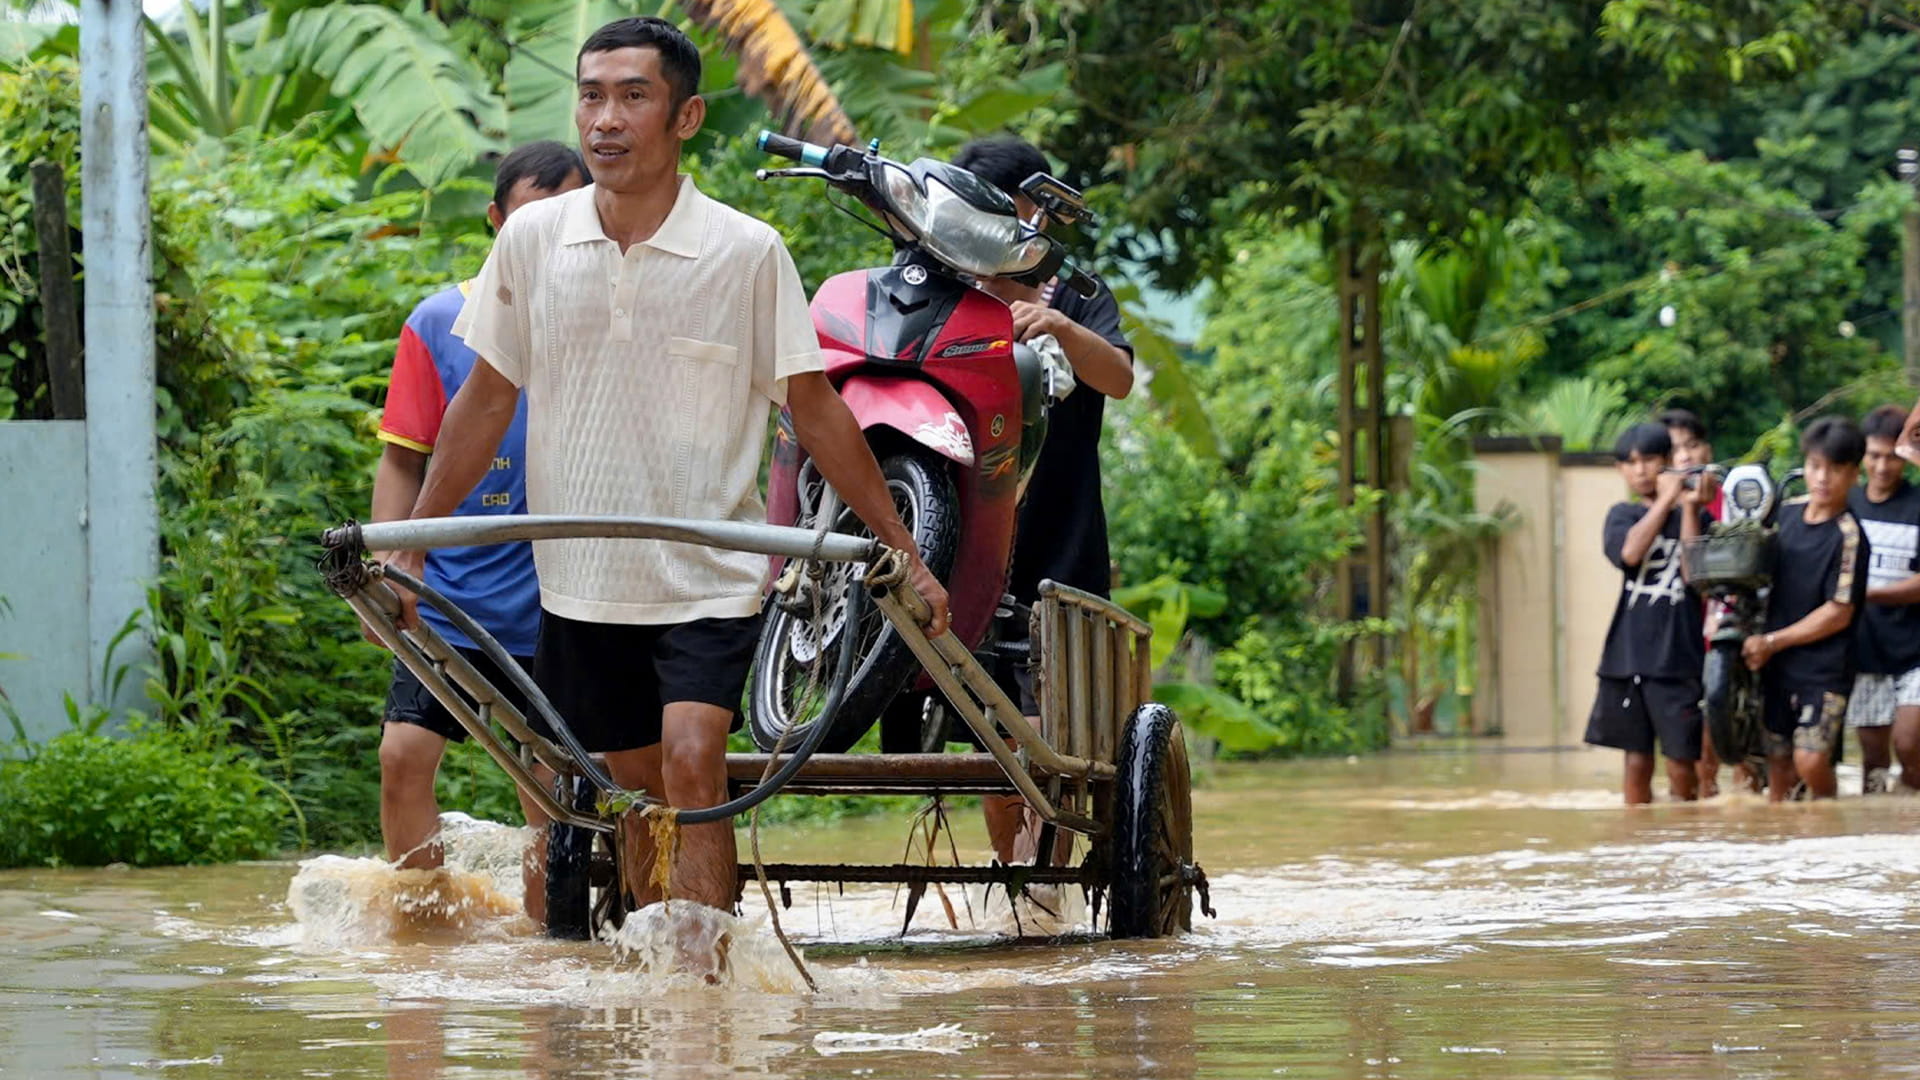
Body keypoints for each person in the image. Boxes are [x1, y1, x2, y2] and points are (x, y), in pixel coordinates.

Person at [384, 17, 950, 936]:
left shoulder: (745, 251)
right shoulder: (530, 243)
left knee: (694, 761)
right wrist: (413, 548)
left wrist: (903, 553)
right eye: (592, 96)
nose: (605, 120)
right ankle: (671, 980)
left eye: (633, 97)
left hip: (708, 575)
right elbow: (484, 405)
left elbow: (815, 411)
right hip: (581, 584)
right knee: (637, 794)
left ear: (685, 117)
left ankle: (700, 995)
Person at [365, 142, 588, 916]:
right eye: (528, 220)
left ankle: (544, 954)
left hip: (564, 602)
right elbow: (403, 459)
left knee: (548, 781)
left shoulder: (600, 324)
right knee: (403, 756)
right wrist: (393, 565)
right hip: (456, 597)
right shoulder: (439, 322)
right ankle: (421, 938)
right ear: (496, 222)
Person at [951, 135, 1134, 867]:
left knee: (1053, 727)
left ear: (1037, 213)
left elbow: (1118, 377)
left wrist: (1057, 326)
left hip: (1062, 532)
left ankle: (1043, 881)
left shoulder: (1080, 294)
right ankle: (1021, 885)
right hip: (967, 538)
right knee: (992, 735)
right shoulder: (949, 284)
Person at [1743, 417, 1869, 802]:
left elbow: (1839, 611)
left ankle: (1828, 822)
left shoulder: (1850, 536)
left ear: (1853, 476)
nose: (1823, 478)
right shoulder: (1783, 516)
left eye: (1835, 469)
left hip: (1825, 667)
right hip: (1773, 663)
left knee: (1811, 760)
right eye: (1815, 467)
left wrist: (1773, 641)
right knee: (1777, 762)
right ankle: (1789, 845)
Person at [1586, 423, 1709, 804]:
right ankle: (1635, 841)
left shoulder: (1700, 519)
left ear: (1669, 462)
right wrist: (1663, 502)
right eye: (1630, 462)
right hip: (1627, 659)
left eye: (1649, 460)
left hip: (1678, 660)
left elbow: (1696, 577)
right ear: (1620, 469)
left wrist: (1687, 507)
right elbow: (1630, 553)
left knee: (1681, 765)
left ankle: (1685, 840)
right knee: (1636, 763)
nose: (1640, 471)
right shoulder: (1620, 515)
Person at [1846, 404, 1920, 794]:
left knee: (1910, 746)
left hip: (1914, 652)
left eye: (1892, 456)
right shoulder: (1847, 504)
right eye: (1873, 455)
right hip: (1864, 652)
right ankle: (1880, 835)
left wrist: (1866, 593)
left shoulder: (1917, 504)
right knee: (1873, 764)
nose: (1882, 466)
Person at [1660, 406, 1725, 794]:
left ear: (1707, 450)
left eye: (1693, 445)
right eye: (1674, 450)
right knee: (1687, 752)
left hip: (1727, 626)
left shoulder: (1732, 498)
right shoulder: (1656, 509)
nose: (1685, 456)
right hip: (1680, 634)